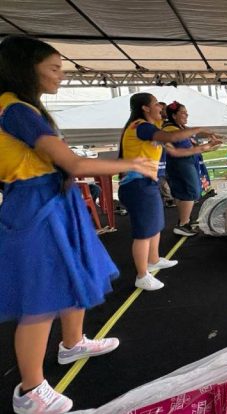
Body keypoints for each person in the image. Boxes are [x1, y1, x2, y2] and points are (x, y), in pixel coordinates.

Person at [0, 36, 156, 413]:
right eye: (53, 68)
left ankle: (73, 343)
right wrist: (132, 164)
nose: (60, 76)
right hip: (36, 206)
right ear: (26, 68)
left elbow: (57, 164)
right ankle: (30, 390)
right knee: (41, 297)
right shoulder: (16, 109)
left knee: (73, 274)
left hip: (53, 199)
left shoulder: (24, 110)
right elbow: (74, 163)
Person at [118, 92, 216, 291]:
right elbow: (172, 137)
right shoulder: (141, 126)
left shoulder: (151, 129)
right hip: (137, 185)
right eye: (155, 104)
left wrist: (206, 147)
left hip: (148, 183)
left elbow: (176, 151)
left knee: (154, 225)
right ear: (145, 108)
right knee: (144, 231)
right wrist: (198, 129)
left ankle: (153, 260)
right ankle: (142, 274)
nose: (160, 108)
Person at [161, 101, 222, 236]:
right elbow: (187, 149)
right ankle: (183, 224)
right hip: (181, 164)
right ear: (174, 115)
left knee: (185, 192)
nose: (186, 115)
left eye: (187, 113)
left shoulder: (180, 128)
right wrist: (209, 145)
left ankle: (184, 221)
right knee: (190, 192)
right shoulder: (171, 130)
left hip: (185, 164)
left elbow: (193, 146)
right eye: (183, 113)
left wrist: (211, 145)